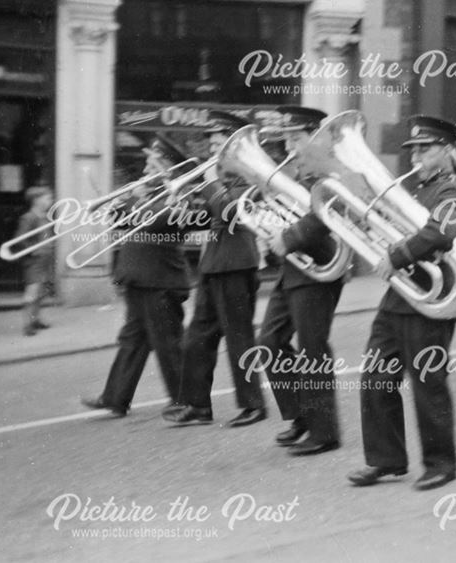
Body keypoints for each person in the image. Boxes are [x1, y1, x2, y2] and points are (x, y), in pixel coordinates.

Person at [347, 115, 456, 491]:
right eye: (414, 149)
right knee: (374, 378)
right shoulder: (414, 190)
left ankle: (441, 463)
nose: (417, 155)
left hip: (432, 297)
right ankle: (386, 460)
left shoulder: (454, 193)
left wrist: (397, 256)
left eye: (426, 148)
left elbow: (438, 234)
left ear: (447, 151)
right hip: (400, 296)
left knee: (427, 382)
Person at [164, 111, 266, 428]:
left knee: (239, 339)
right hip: (213, 265)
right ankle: (197, 405)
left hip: (237, 264)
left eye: (220, 144)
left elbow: (230, 212)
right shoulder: (221, 178)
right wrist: (183, 202)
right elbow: (210, 216)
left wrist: (207, 184)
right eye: (212, 145)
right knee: (196, 338)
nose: (213, 151)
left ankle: (253, 405)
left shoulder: (250, 176)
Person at [81, 135, 193, 417]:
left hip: (160, 281)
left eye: (151, 165)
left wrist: (134, 202)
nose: (145, 171)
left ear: (167, 167)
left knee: (168, 343)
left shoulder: (180, 194)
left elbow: (160, 219)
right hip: (139, 279)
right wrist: (115, 205)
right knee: (132, 340)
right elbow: (122, 221)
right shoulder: (147, 195)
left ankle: (185, 399)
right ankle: (115, 398)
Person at [258, 106, 346, 456]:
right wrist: (270, 228)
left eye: (296, 138)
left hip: (320, 267)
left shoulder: (330, 169)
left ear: (313, 136)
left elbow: (326, 214)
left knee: (313, 350)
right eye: (288, 139)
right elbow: (290, 214)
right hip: (295, 268)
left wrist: (288, 238)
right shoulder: (297, 171)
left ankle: (324, 432)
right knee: (268, 341)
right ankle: (301, 416)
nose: (290, 146)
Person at [15, 186, 54, 336]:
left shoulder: (44, 217)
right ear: (36, 200)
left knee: (40, 292)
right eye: (47, 198)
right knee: (32, 292)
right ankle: (27, 324)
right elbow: (21, 238)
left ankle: (35, 319)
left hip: (44, 259)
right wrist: (33, 249)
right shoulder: (29, 217)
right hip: (34, 261)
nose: (50, 201)